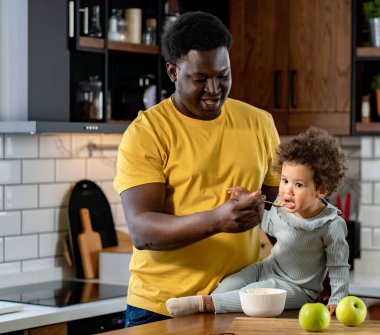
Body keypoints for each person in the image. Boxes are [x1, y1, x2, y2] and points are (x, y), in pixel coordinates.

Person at [113, 11, 280, 328]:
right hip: (161, 307)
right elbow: (142, 230)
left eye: (223, 75)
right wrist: (218, 219)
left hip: (239, 303)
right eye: (201, 79)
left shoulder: (259, 123)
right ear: (173, 72)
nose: (214, 89)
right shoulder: (147, 132)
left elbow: (279, 211)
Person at [166, 127, 350, 317]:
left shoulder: (330, 224)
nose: (287, 190)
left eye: (298, 185)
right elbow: (265, 222)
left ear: (321, 190)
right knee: (229, 284)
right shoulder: (281, 206)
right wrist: (249, 203)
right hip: (266, 269)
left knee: (253, 294)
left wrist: (338, 298)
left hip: (298, 289)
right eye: (285, 180)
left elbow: (339, 266)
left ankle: (203, 304)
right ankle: (210, 303)